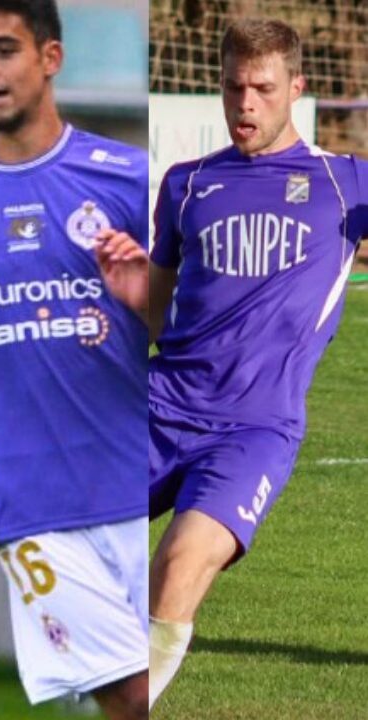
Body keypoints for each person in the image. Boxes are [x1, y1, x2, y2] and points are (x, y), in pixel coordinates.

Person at [0, 0, 149, 717]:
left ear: (50, 58)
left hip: (140, 482)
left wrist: (146, 294)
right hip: (29, 503)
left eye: (3, 49)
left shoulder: (133, 181)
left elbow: (189, 334)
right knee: (131, 696)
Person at [147, 18, 368, 710]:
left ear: (296, 90)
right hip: (156, 407)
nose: (246, 104)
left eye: (263, 89)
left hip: (252, 431)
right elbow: (149, 314)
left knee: (178, 568)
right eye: (233, 87)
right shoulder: (186, 185)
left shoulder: (345, 184)